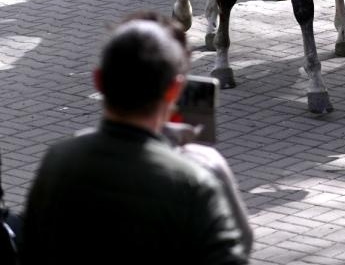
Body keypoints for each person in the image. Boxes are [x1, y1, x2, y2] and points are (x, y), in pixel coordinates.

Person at [19, 14, 249, 265]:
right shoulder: (197, 178)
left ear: (98, 81)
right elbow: (238, 247)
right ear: (174, 89)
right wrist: (204, 162)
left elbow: (31, 247)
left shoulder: (57, 161)